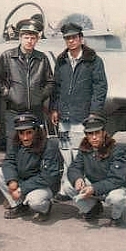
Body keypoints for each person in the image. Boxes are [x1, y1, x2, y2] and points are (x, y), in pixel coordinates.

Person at [49, 22, 108, 201]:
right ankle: (66, 187)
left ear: (81, 39)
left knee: (79, 153)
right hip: (64, 116)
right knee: (65, 151)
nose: (71, 40)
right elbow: (56, 88)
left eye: (74, 37)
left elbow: (100, 87)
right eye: (68, 38)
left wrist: (94, 113)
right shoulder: (61, 61)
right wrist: (54, 109)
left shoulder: (93, 60)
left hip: (82, 117)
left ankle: (84, 187)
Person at [0, 18, 55, 152]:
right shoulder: (8, 56)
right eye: (26, 37)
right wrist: (10, 94)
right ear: (20, 38)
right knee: (13, 149)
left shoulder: (42, 58)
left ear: (37, 39)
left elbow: (50, 82)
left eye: (33, 38)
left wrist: (39, 96)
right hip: (14, 112)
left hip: (35, 113)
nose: (29, 41)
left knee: (36, 149)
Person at [0, 113, 62, 222]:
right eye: (21, 133)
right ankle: (20, 206)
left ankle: (45, 208)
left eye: (29, 133)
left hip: (44, 184)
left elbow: (47, 176)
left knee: (35, 201)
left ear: (36, 131)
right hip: (25, 179)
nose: (25, 137)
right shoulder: (16, 142)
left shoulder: (49, 146)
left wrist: (21, 189)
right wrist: (12, 180)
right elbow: (9, 161)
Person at [62, 113, 126, 226]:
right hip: (93, 184)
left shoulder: (116, 150)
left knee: (117, 198)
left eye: (97, 133)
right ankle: (92, 209)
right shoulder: (85, 148)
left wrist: (94, 188)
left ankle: (116, 216)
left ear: (103, 133)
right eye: (90, 134)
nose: (94, 137)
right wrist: (77, 178)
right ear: (86, 135)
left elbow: (117, 179)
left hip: (112, 186)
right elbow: (74, 167)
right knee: (68, 186)